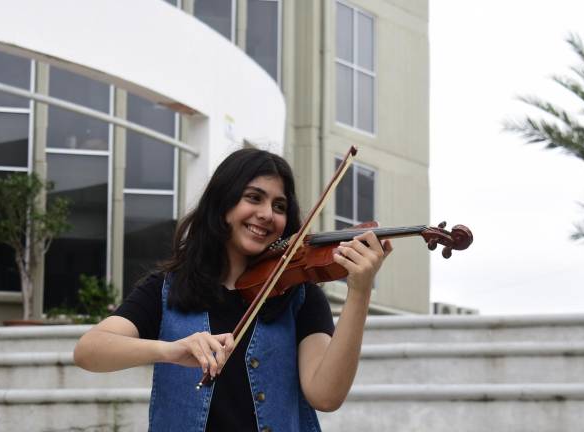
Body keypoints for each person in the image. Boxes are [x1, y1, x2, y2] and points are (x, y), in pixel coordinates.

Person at [74, 148, 392, 432]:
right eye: (254, 198)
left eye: (279, 206)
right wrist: (169, 351)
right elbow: (89, 351)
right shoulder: (168, 288)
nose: (267, 213)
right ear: (224, 204)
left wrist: (360, 292)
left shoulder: (300, 296)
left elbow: (325, 395)